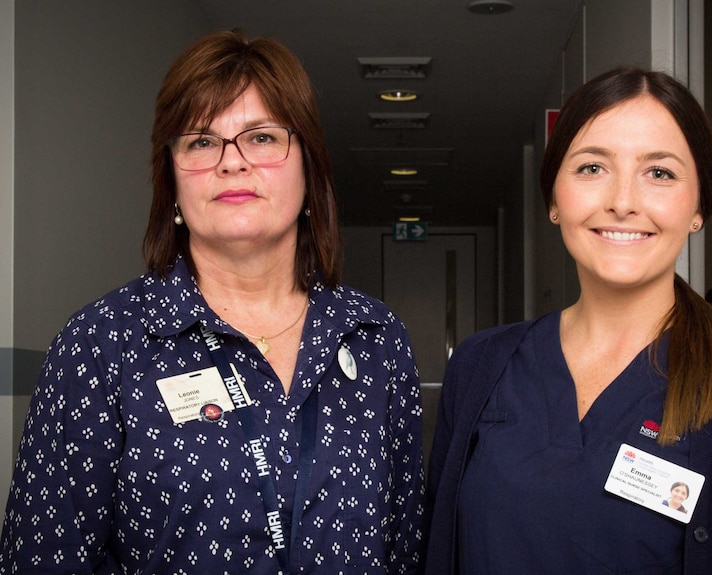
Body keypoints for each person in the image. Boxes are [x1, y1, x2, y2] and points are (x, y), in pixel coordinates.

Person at [0, 29, 425, 574]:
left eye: (262, 137)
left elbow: (405, 550)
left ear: (309, 167)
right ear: (172, 180)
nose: (232, 162)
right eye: (201, 141)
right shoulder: (102, 344)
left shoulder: (374, 339)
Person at [425, 67, 712, 574]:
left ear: (699, 206)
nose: (623, 202)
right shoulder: (481, 366)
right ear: (553, 199)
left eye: (660, 173)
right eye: (592, 168)